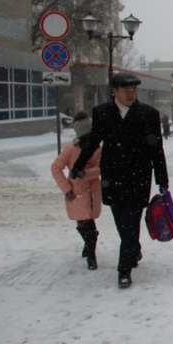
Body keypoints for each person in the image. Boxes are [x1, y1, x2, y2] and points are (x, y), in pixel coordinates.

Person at [70, 73, 169, 289]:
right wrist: (78, 165)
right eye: (125, 91)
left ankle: (123, 271)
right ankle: (133, 248)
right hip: (112, 178)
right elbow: (93, 142)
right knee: (121, 223)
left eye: (133, 90)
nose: (130, 94)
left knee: (131, 223)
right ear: (114, 91)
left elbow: (156, 149)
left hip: (139, 178)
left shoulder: (148, 114)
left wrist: (162, 180)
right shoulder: (103, 113)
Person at [51, 112, 103, 271]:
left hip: (93, 192)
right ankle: (90, 249)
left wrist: (87, 173)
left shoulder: (98, 149)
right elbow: (56, 167)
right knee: (83, 224)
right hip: (76, 192)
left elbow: (101, 168)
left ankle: (90, 249)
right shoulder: (70, 149)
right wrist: (66, 189)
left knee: (89, 223)